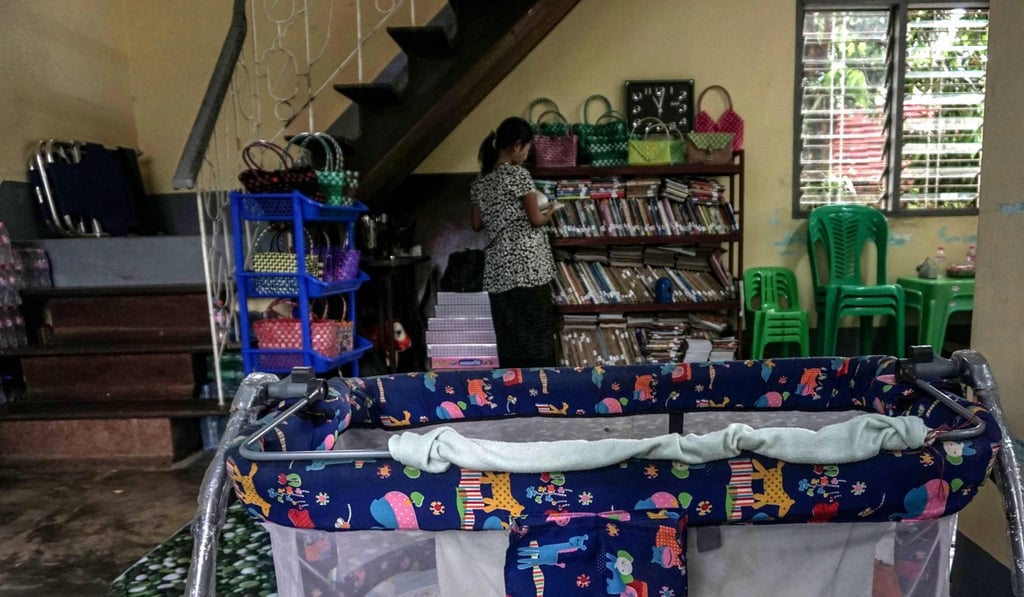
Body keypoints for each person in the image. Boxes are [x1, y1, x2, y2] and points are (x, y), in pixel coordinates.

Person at [470, 116, 559, 368]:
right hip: (528, 268)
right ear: (518, 145)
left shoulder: (481, 181)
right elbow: (535, 219)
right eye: (527, 148)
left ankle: (514, 392)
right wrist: (549, 212)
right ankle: (541, 391)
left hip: (499, 270)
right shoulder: (519, 175)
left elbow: (476, 224)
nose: (526, 155)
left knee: (509, 338)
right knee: (537, 335)